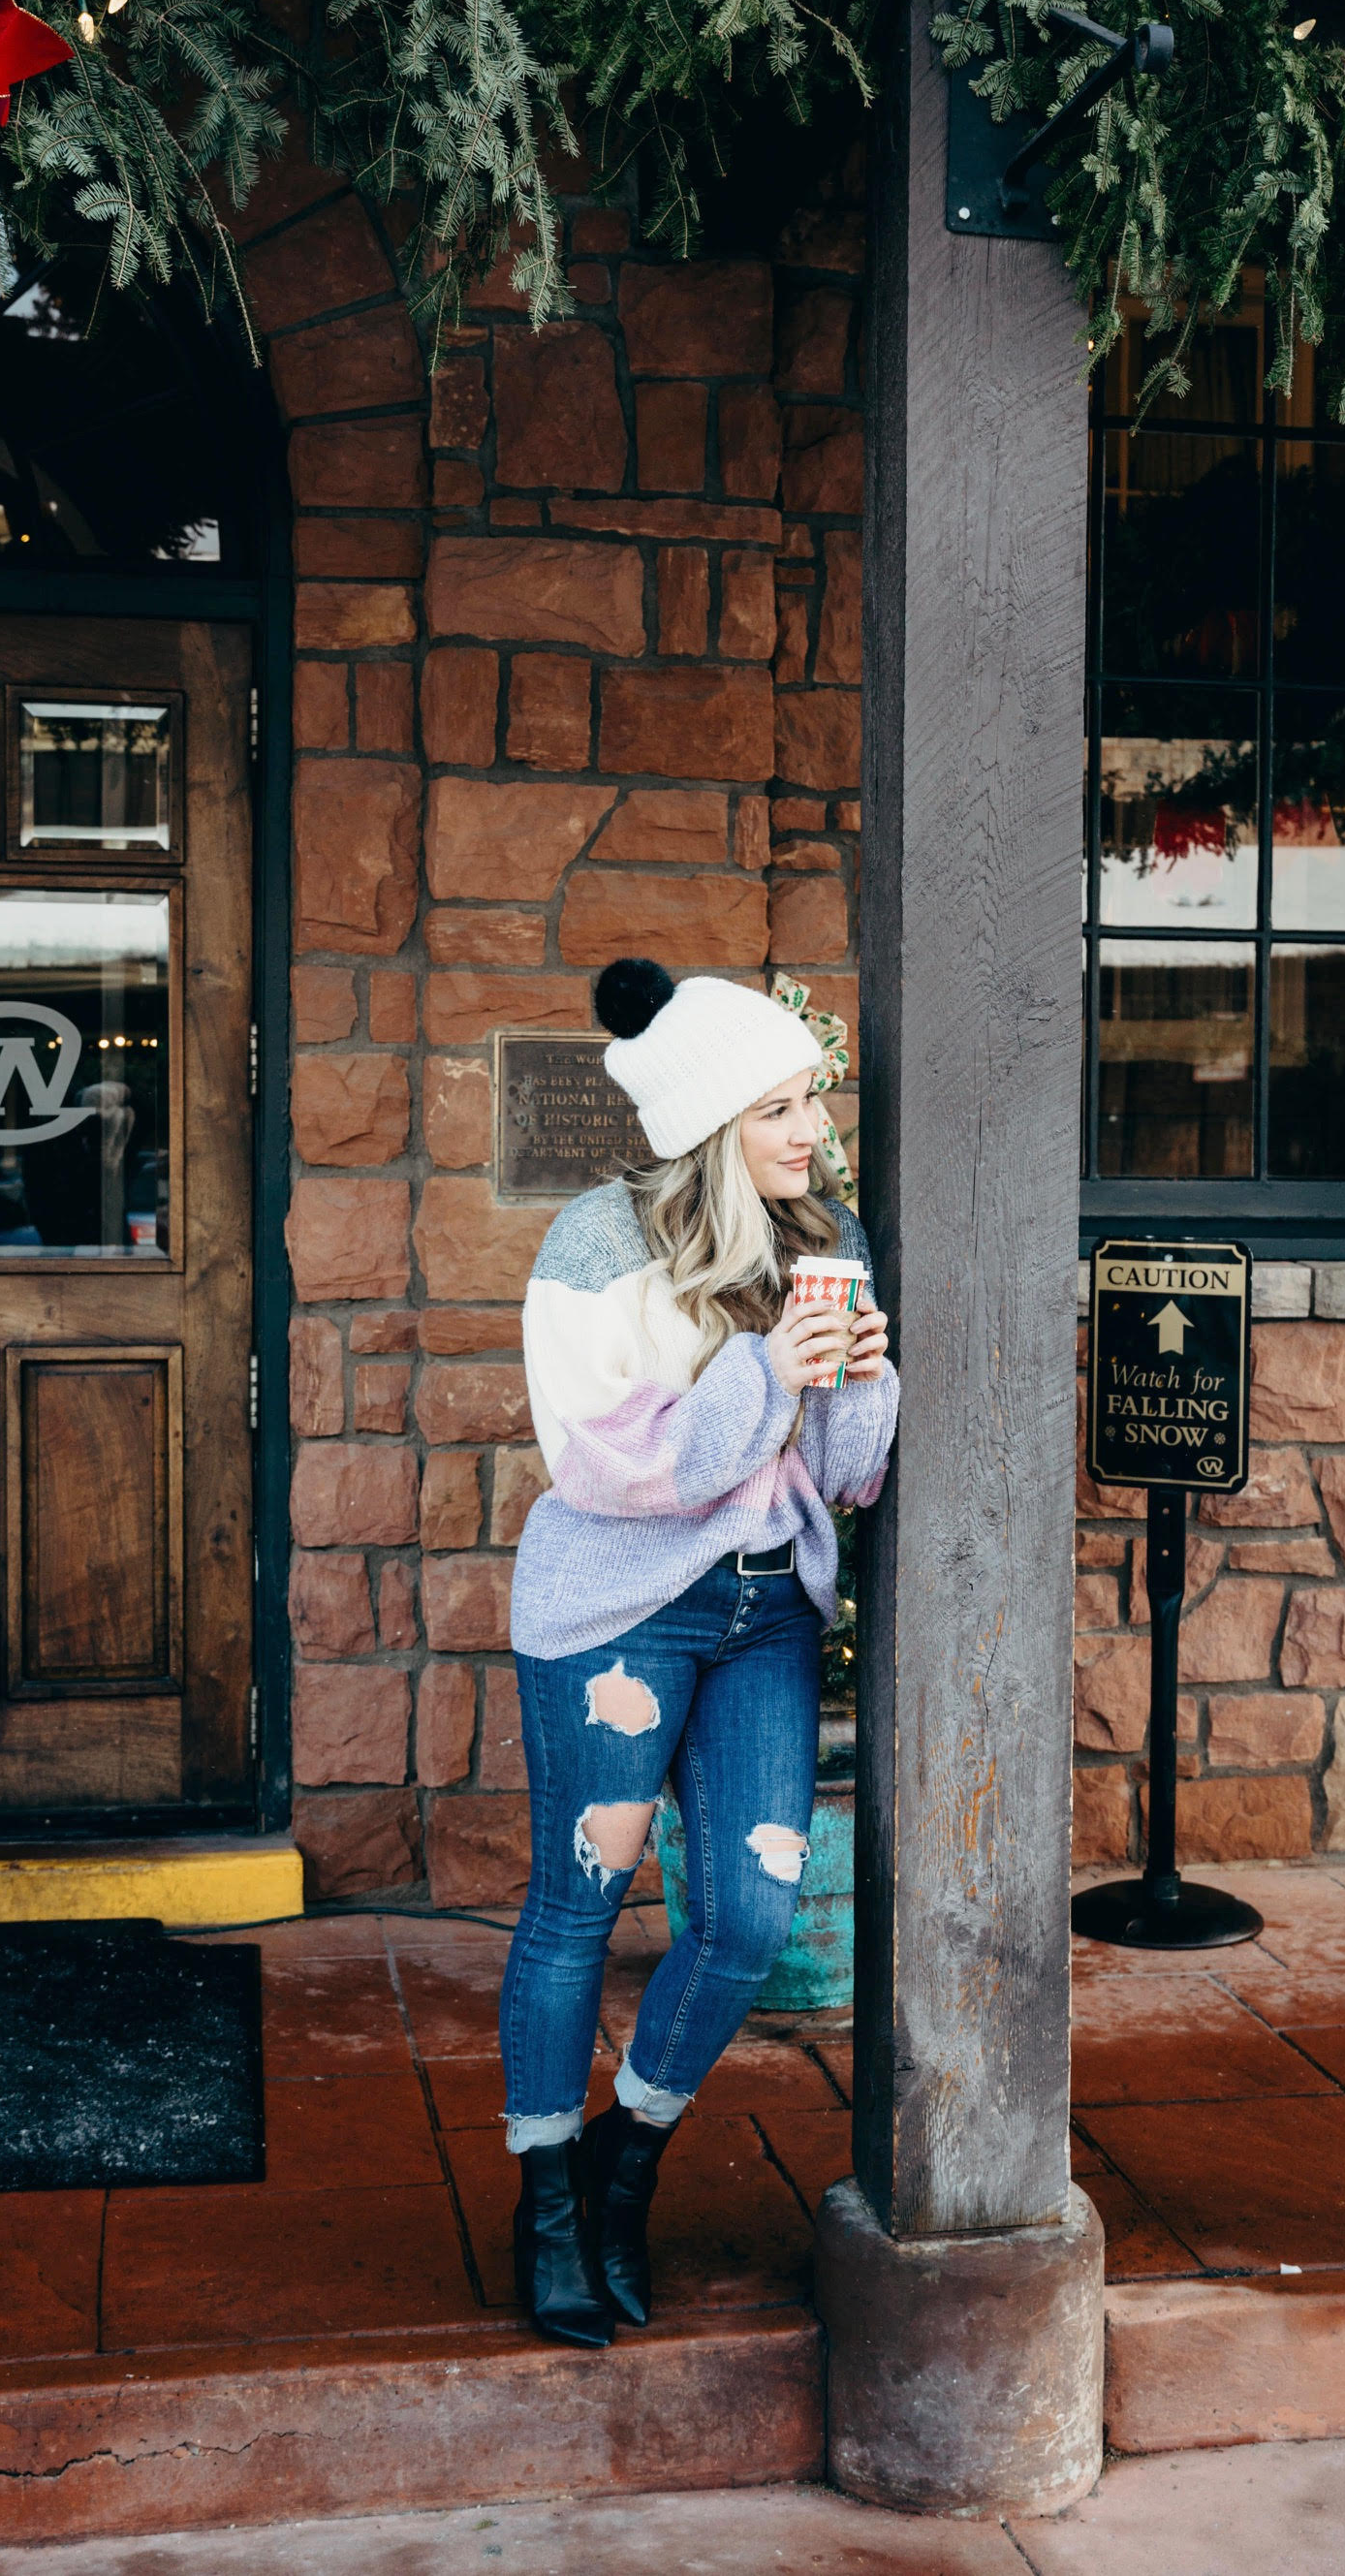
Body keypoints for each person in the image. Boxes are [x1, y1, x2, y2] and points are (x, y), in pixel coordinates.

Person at [500, 957, 899, 2347]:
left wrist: (860, 1372)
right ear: (709, 1120)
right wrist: (765, 1371)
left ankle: (628, 2161)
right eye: (780, 1108)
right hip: (617, 1613)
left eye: (812, 1103)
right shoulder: (593, 1249)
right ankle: (548, 2199)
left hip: (762, 1617)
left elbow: (845, 1479)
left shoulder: (821, 1235)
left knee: (746, 1921)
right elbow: (605, 1470)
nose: (809, 1133)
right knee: (578, 1909)